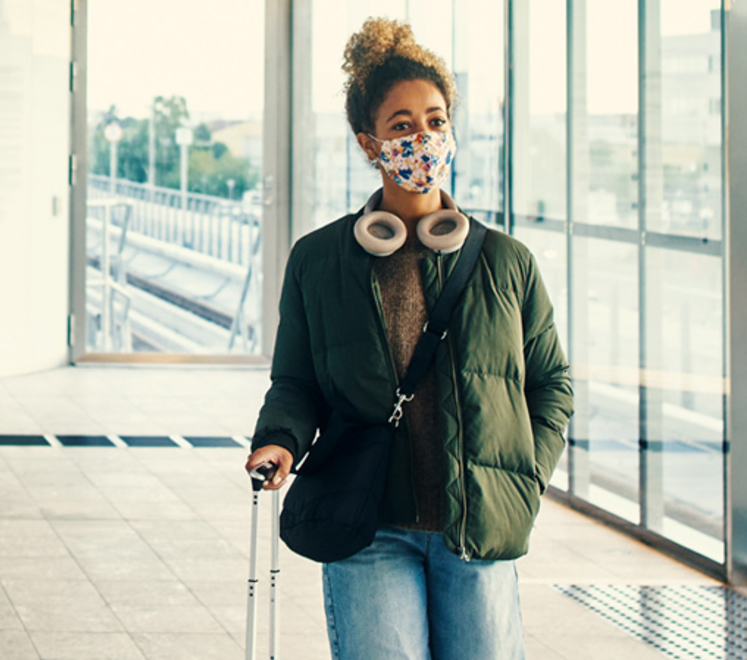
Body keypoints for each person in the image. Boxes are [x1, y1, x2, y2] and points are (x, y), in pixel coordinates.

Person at [243, 16, 573, 660]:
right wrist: (278, 439)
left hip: (477, 523)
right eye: (402, 126)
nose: (423, 137)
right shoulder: (320, 260)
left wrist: (525, 478)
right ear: (369, 143)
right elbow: (297, 381)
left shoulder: (506, 261)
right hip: (369, 524)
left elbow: (551, 383)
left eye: (436, 120)